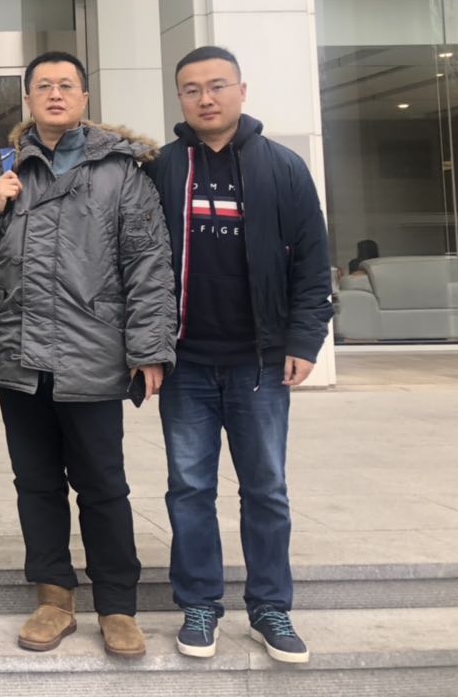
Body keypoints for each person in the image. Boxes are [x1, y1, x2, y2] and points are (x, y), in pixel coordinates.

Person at [0, 51, 176, 660]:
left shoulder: (121, 172)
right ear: (28, 98)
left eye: (66, 85)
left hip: (94, 354)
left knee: (103, 485)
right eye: (43, 85)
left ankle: (117, 606)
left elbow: (149, 263)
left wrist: (149, 348)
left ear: (84, 97)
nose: (55, 93)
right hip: (18, 354)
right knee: (36, 484)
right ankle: (53, 597)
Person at [146, 46, 333, 664]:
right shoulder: (163, 169)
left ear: (241, 91)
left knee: (266, 489)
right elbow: (138, 265)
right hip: (186, 364)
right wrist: (147, 347)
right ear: (180, 98)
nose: (206, 98)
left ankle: (270, 607)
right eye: (192, 89)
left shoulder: (283, 168)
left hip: (260, 363)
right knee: (189, 489)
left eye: (217, 85)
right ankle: (199, 604)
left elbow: (313, 263)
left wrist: (303, 340)